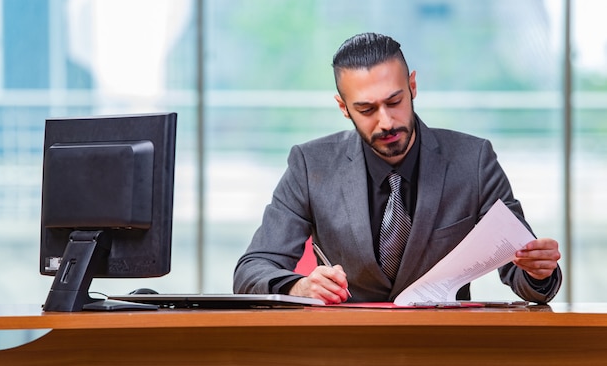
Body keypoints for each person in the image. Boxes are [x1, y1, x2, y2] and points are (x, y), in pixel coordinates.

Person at [233, 32, 562, 304]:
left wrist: (538, 271)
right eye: (366, 109)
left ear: (413, 87)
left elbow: (523, 273)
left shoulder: (474, 160)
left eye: (394, 101)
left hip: (445, 348)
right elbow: (251, 270)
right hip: (345, 348)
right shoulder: (310, 165)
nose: (386, 121)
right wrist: (299, 287)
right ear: (343, 107)